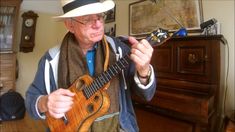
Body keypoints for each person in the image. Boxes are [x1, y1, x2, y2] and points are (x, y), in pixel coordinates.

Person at [25, 0, 157, 132]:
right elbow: (31, 100)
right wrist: (45, 102)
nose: (98, 24)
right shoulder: (51, 59)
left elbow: (146, 95)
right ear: (70, 25)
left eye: (100, 16)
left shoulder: (120, 50)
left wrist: (143, 71)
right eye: (87, 19)